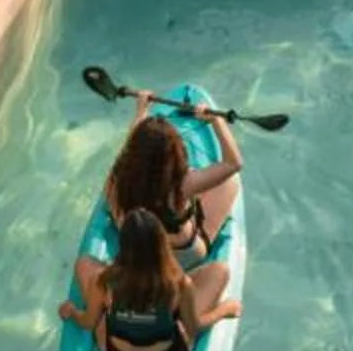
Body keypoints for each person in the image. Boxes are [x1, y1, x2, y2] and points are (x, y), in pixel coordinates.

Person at [71, 93, 242, 318]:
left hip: (135, 257)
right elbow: (233, 164)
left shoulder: (116, 182)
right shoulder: (183, 184)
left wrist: (141, 112)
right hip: (183, 258)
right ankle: (182, 311)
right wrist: (216, 121)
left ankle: (119, 311)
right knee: (229, 182)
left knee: (85, 263)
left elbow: (126, 155)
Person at [62, 208, 237, 351]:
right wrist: (223, 310)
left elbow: (89, 323)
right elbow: (194, 327)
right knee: (220, 271)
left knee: (84, 264)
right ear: (161, 243)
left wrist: (72, 312)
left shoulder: (104, 280)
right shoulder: (179, 283)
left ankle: (115, 311)